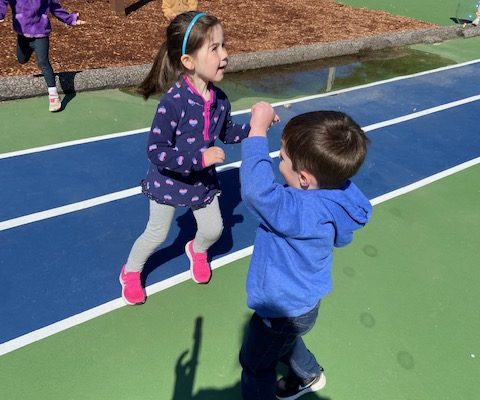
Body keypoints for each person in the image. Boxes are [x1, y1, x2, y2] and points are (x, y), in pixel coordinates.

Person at [239, 102, 372, 399]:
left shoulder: (298, 211)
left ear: (304, 179)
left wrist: (257, 131)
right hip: (305, 303)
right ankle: (309, 374)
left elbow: (257, 193)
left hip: (281, 307)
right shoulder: (338, 197)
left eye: (282, 158)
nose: (278, 161)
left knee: (255, 365)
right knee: (286, 339)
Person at [119, 11, 250, 305]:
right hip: (168, 182)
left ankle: (197, 250)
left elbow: (227, 132)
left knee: (214, 229)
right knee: (156, 234)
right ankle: (131, 271)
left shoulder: (220, 100)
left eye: (224, 45)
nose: (225, 55)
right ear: (188, 61)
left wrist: (254, 128)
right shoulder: (173, 103)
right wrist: (199, 159)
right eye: (214, 48)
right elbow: (156, 151)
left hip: (201, 183)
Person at [0, 0, 85, 112]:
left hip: (40, 32)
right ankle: (31, 48)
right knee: (22, 59)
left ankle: (53, 96)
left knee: (43, 62)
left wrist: (70, 19)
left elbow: (55, 7)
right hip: (23, 33)